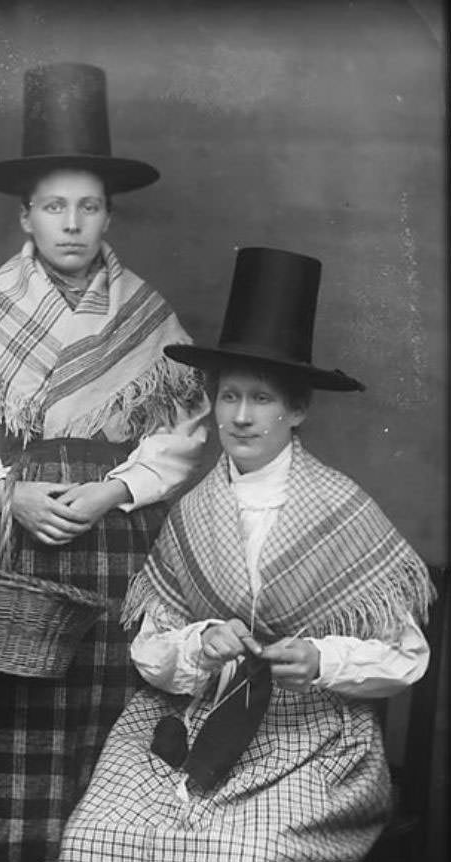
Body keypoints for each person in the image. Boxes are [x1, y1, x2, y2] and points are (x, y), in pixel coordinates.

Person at [58, 247, 434, 862]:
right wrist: (200, 645)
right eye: (229, 396)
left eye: (261, 398)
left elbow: (405, 657)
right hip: (200, 720)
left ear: (297, 409)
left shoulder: (343, 508)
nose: (240, 416)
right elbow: (152, 651)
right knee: (97, 838)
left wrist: (320, 658)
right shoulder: (193, 512)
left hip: (311, 739)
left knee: (239, 850)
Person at [0, 62, 208, 862]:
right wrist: (10, 491)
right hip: (7, 544)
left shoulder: (151, 317)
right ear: (26, 217)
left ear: (109, 216)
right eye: (54, 207)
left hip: (115, 543)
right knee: (0, 723)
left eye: (88, 207)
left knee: (106, 726)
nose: (72, 224)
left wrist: (114, 488)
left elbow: (181, 435)